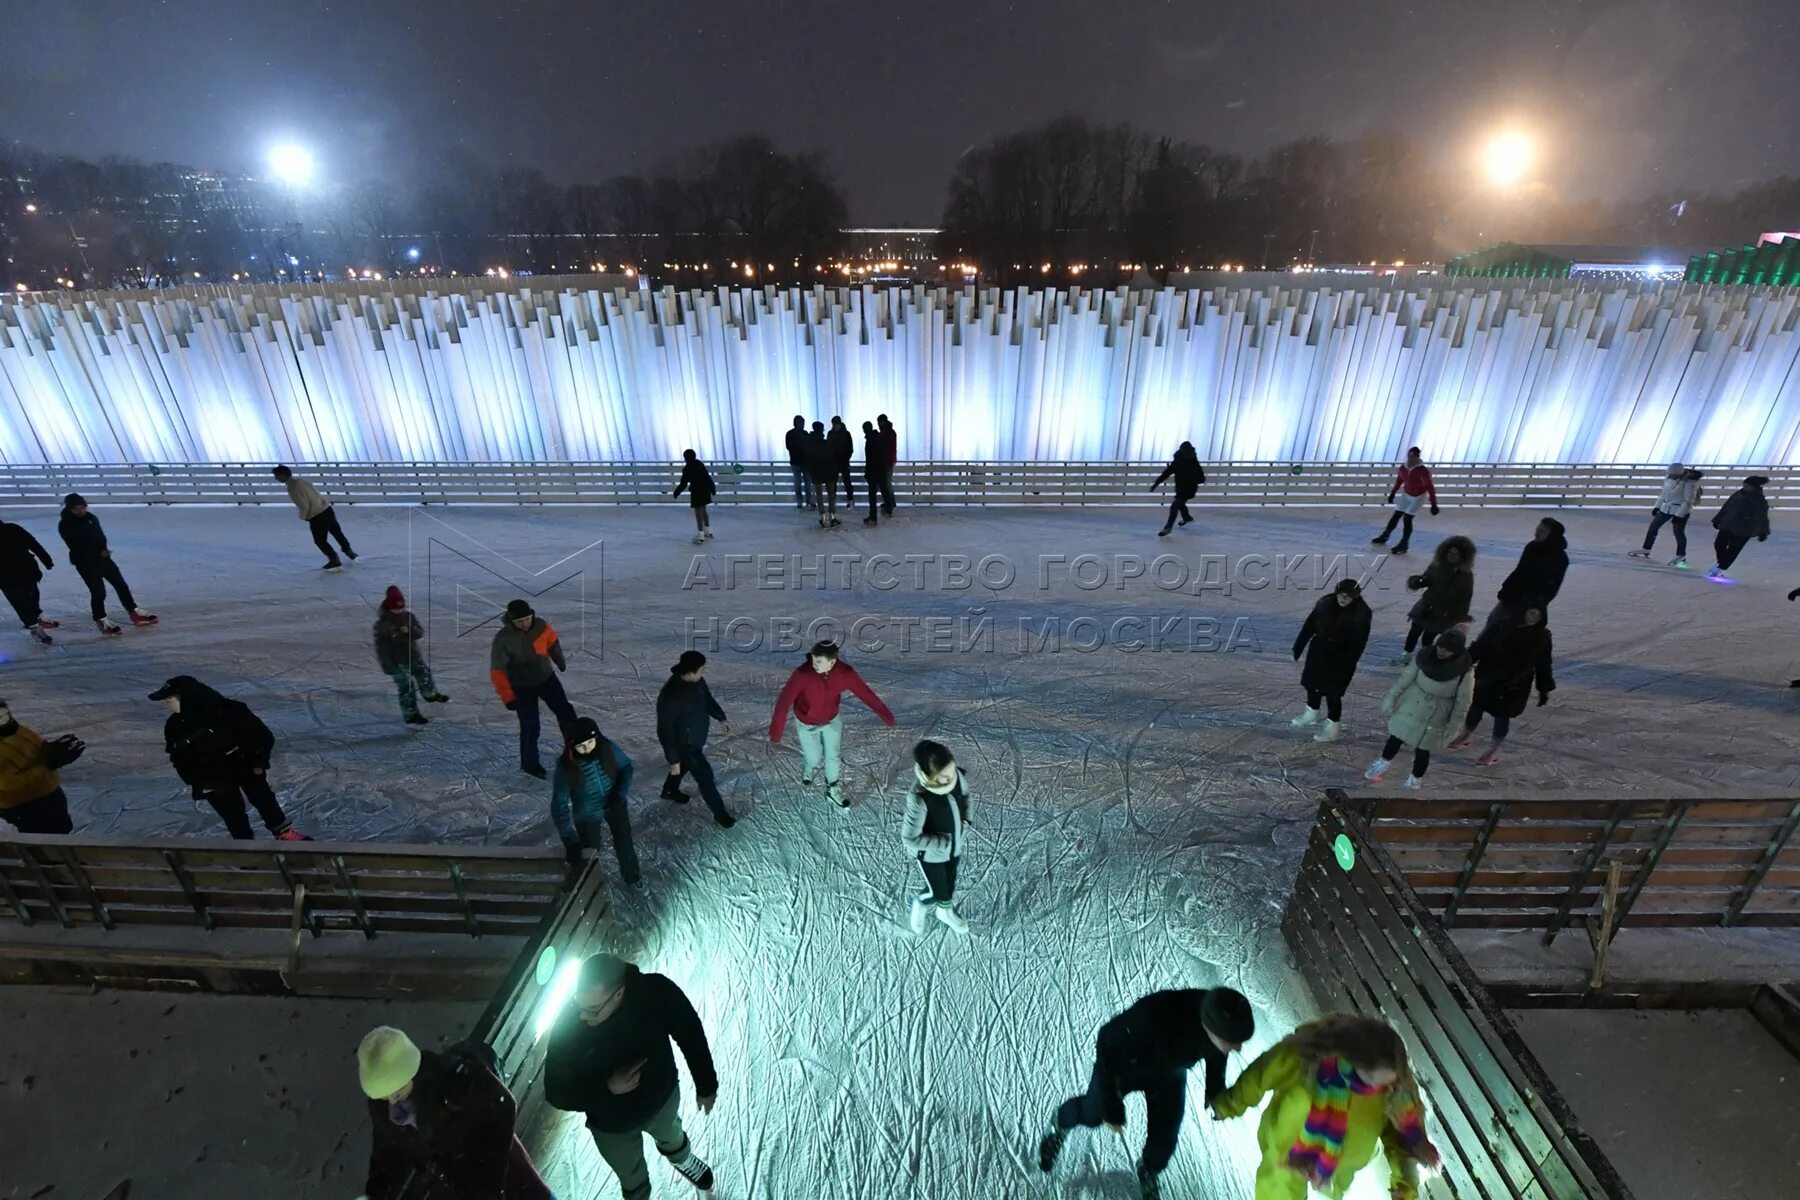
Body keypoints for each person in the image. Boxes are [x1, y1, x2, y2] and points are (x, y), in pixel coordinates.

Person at [1039, 986, 1255, 1200]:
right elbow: (1106, 1039)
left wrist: (1215, 1088)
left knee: (1165, 1137)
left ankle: (1148, 1170)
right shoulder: (1155, 1013)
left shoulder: (1217, 1021)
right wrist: (1112, 1104)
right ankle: (1060, 1123)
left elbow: (1218, 1051)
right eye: (1233, 1042)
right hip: (1123, 1069)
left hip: (1168, 1076)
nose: (1238, 1048)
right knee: (1093, 1114)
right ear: (1212, 1028)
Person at [543, 954, 719, 1200]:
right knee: (630, 1173)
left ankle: (682, 1157)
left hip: (661, 1100)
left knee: (671, 1135)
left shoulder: (656, 993)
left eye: (593, 1008)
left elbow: (689, 1031)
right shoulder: (568, 1026)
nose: (582, 1015)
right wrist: (606, 1088)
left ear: (618, 993)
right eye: (578, 1004)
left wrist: (706, 1083)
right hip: (611, 1125)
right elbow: (555, 1090)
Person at [1210, 1013, 1440, 1200]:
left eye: (1386, 1081)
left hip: (1339, 1168)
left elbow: (1400, 1137)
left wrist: (1405, 1185)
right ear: (1353, 1059)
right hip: (1289, 1148)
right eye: (1371, 1078)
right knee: (1279, 1190)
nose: (1378, 1087)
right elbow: (1260, 1075)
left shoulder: (1394, 1090)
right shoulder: (1307, 1058)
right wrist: (1229, 1103)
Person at [356, 1026, 552, 1200]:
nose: (391, 1101)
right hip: (456, 1179)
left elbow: (503, 1105)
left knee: (529, 1192)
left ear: (411, 1072)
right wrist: (375, 1192)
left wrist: (488, 1181)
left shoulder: (452, 1079)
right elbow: (386, 1148)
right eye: (383, 1095)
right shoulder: (383, 1109)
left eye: (397, 1091)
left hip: (497, 1160)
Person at [149, 675, 308, 840]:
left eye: (170, 699)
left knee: (263, 799)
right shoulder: (174, 725)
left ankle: (285, 834)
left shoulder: (230, 710)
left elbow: (262, 736)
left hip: (246, 766)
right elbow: (177, 756)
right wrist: (195, 780)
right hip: (212, 778)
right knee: (233, 816)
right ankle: (245, 850)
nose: (168, 704)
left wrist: (258, 763)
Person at [769, 640, 896, 807]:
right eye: (813, 660)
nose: (814, 664)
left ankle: (832, 789)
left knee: (833, 756)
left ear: (832, 662)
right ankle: (809, 765)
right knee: (814, 758)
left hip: (831, 720)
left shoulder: (845, 674)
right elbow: (784, 701)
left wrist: (886, 715)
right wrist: (776, 731)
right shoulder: (803, 674)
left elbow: (866, 693)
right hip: (807, 723)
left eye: (819, 661)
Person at [1366, 630, 1475, 790]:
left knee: (1423, 749)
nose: (1442, 652)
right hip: (1412, 703)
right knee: (1396, 737)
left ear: (1456, 652)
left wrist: (1453, 727)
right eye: (1441, 647)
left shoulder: (1464, 671)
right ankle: (1383, 762)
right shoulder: (1424, 657)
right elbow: (1405, 678)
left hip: (1436, 713)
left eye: (1448, 649)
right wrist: (1391, 698)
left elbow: (1463, 703)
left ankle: (1415, 778)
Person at [1450, 605, 1554, 766]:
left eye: (1536, 615)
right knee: (1475, 707)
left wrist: (1544, 689)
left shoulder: (1542, 636)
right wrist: (1460, 664)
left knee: (1501, 715)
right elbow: (1480, 646)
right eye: (1530, 612)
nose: (1532, 617)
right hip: (1487, 676)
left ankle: (1494, 749)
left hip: (1514, 684)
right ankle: (1466, 734)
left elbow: (1544, 664)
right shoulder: (1501, 626)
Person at [489, 599, 577, 779]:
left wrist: (559, 660)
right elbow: (498, 670)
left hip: (546, 679)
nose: (525, 623)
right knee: (530, 725)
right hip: (521, 687)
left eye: (528, 619)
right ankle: (530, 764)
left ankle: (576, 752)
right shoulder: (503, 639)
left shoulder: (542, 626)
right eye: (520, 621)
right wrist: (508, 696)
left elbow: (552, 642)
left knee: (566, 713)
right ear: (511, 620)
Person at [552, 716, 640, 885]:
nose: (587, 749)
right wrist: (569, 839)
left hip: (614, 803)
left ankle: (632, 877)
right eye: (581, 746)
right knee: (589, 855)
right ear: (571, 745)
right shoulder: (566, 767)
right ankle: (588, 889)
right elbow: (559, 804)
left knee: (624, 842)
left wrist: (619, 795)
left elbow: (626, 768)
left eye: (590, 742)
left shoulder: (607, 747)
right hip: (587, 813)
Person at [57, 493, 157, 636]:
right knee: (98, 592)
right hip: (85, 563)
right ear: (70, 509)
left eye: (82, 507)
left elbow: (100, 535)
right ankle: (101, 619)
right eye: (76, 509)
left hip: (103, 559)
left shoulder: (91, 518)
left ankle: (133, 611)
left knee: (121, 585)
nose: (80, 511)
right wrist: (97, 552)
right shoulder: (65, 524)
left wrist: (104, 549)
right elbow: (76, 544)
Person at [655, 651, 735, 828]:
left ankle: (669, 790)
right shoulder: (671, 696)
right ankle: (720, 815)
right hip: (686, 744)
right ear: (689, 671)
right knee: (705, 778)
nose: (705, 672)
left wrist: (721, 717)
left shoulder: (697, 682)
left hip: (695, 738)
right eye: (702, 669)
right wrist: (673, 758)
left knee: (683, 766)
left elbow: (707, 700)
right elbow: (665, 730)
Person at [901, 739, 971, 935]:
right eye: (945, 777)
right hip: (931, 856)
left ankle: (944, 910)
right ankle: (921, 904)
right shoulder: (920, 798)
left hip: (954, 847)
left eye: (952, 772)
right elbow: (909, 838)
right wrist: (941, 843)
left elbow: (965, 796)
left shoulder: (955, 776)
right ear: (930, 778)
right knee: (936, 891)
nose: (952, 778)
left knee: (949, 883)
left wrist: (968, 820)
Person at [1290, 579, 1372, 743]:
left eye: (1348, 597)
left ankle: (1332, 726)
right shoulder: (1325, 603)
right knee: (1312, 684)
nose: (1343, 599)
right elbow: (1309, 624)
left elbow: (1359, 644)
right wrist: (1299, 645)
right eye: (1341, 595)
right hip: (1319, 650)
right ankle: (1311, 713)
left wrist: (1347, 665)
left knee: (1332, 693)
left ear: (1355, 597)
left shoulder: (1361, 614)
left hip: (1341, 657)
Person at [0, 697, 85, 834]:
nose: (4, 719)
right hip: (24, 803)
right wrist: (47, 765)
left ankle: (60, 851)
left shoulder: (14, 729)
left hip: (48, 790)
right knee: (43, 838)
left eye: (4, 714)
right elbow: (7, 783)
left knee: (62, 827)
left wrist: (51, 749)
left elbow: (36, 744)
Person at [374, 585, 448, 726]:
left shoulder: (408, 617)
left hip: (413, 656)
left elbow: (419, 633)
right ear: (389, 607)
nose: (399, 611)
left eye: (401, 607)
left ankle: (430, 695)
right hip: (396, 663)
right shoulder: (383, 625)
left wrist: (409, 631)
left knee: (424, 674)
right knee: (406, 687)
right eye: (396, 608)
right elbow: (381, 647)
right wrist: (387, 665)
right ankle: (411, 714)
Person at [1395, 535, 1475, 664]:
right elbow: (1426, 579)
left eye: (1456, 554)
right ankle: (1406, 655)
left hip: (1442, 613)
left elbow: (1466, 598)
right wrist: (1416, 582)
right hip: (1425, 606)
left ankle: (1424, 658)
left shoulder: (1466, 575)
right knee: (1413, 632)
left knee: (1428, 638)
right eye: (1450, 552)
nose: (1452, 556)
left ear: (1463, 556)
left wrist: (1460, 617)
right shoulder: (1437, 565)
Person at [1485, 517, 1567, 634]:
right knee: (1493, 622)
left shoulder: (1559, 558)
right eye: (1537, 529)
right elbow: (1519, 570)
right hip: (1512, 595)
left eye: (1542, 531)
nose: (1536, 533)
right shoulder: (1531, 547)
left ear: (1552, 536)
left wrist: (1535, 604)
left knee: (1517, 634)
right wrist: (1507, 587)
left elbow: (1551, 587)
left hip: (1532, 605)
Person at [272, 465, 356, 570]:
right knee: (336, 532)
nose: (276, 478)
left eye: (276, 476)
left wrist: (304, 516)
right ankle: (348, 551)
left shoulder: (292, 487)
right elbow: (316, 493)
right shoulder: (301, 480)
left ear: (283, 474)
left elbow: (303, 504)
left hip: (316, 515)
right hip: (326, 509)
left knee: (320, 541)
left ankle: (334, 560)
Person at [1630, 463, 1703, 567]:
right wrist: (1657, 506)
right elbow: (1664, 494)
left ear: (1678, 473)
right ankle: (1646, 548)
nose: (1670, 476)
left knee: (1678, 532)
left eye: (1672, 474)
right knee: (1653, 526)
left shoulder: (1690, 482)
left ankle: (1681, 554)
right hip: (1666, 507)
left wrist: (1679, 515)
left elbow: (1688, 501)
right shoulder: (1669, 478)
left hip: (1681, 510)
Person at [0, 518, 59, 645]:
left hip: (25, 570)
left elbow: (33, 544)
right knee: (19, 601)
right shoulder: (13, 528)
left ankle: (36, 617)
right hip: (6, 576)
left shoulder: (13, 529)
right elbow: (33, 544)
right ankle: (34, 627)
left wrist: (46, 559)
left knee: (31, 595)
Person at [1370, 447, 1438, 555]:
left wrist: (1433, 504)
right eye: (1410, 455)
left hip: (1418, 496)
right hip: (1406, 495)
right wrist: (1393, 493)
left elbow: (1430, 487)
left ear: (1417, 456)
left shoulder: (1423, 471)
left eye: (1414, 456)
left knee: (1407, 519)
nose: (1411, 458)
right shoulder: (1403, 468)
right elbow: (1399, 481)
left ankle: (1404, 543)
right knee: (1396, 516)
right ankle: (1385, 535)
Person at [1708, 474, 1772, 581]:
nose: (1745, 486)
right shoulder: (1737, 494)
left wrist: (1763, 532)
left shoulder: (1759, 500)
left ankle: (1721, 567)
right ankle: (1721, 563)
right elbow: (1726, 507)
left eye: (1747, 485)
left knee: (1734, 549)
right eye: (1744, 484)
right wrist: (1717, 519)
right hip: (1728, 524)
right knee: (1719, 544)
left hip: (1745, 529)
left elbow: (1762, 517)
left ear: (1754, 487)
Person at [1150, 442, 1205, 537]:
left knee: (1175, 506)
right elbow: (1166, 473)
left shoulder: (1191, 461)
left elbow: (1201, 478)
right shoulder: (1180, 461)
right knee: (1179, 503)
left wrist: (1192, 479)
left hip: (1188, 489)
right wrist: (1156, 483)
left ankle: (1168, 527)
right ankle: (1187, 517)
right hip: (1182, 489)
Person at [672, 450, 716, 545]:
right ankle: (708, 531)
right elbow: (707, 477)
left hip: (697, 492)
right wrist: (712, 488)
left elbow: (683, 484)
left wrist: (676, 492)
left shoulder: (687, 468)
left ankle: (700, 536)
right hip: (705, 490)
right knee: (703, 510)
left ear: (686, 458)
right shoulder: (699, 463)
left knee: (698, 513)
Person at [804, 420, 840, 528]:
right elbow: (832, 457)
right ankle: (832, 517)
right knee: (831, 494)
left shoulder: (810, 443)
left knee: (819, 495)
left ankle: (822, 517)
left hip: (816, 471)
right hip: (828, 471)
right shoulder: (826, 443)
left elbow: (808, 458)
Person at [784, 415, 813, 510]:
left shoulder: (790, 434)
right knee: (804, 483)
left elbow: (789, 447)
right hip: (802, 461)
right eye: (802, 423)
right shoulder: (804, 434)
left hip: (797, 461)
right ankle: (807, 501)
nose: (803, 425)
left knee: (800, 483)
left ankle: (802, 501)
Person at [827, 415, 856, 507]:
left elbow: (850, 449)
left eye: (835, 424)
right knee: (840, 481)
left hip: (840, 462)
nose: (834, 425)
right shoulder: (845, 433)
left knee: (844, 481)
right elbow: (850, 449)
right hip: (839, 462)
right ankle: (846, 499)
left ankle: (849, 499)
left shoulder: (832, 434)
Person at [860, 420, 884, 526]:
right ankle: (874, 516)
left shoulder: (870, 440)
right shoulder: (877, 438)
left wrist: (868, 472)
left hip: (873, 472)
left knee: (872, 496)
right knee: (875, 494)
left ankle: (873, 517)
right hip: (878, 471)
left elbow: (870, 459)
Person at [875, 413, 898, 515]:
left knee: (886, 483)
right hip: (888, 460)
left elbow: (887, 448)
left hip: (886, 461)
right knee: (886, 483)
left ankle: (891, 503)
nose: (878, 424)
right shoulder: (890, 432)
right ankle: (891, 502)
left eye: (879, 422)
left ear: (883, 422)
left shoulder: (886, 433)